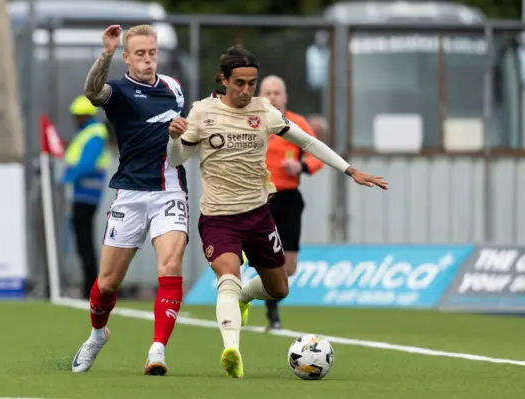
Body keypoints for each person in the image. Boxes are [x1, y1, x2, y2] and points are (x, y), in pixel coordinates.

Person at [166, 45, 387, 379]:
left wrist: (350, 170)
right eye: (239, 83)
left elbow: (309, 143)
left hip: (258, 214)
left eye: (251, 83)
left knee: (280, 288)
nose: (245, 90)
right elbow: (176, 159)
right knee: (227, 275)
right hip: (217, 217)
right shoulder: (202, 112)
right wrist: (173, 139)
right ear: (223, 79)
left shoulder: (264, 112)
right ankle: (232, 349)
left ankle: (243, 297)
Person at [71, 24, 189, 377]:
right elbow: (92, 92)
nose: (148, 59)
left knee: (170, 266)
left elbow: (182, 150)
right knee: (107, 283)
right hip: (131, 193)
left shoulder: (173, 89)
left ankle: (157, 350)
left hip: (170, 188)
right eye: (140, 53)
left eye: (152, 52)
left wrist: (181, 139)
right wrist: (104, 53)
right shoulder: (119, 91)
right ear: (127, 57)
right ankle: (97, 334)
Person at [258, 75, 323, 331]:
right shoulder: (254, 122)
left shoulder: (296, 123)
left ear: (285, 97)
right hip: (262, 199)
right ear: (260, 95)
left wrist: (302, 165)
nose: (273, 96)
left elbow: (317, 153)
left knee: (289, 266)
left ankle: (266, 291)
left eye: (277, 92)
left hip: (290, 198)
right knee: (269, 257)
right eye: (268, 92)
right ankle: (272, 313)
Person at [62, 95, 112, 300]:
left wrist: (68, 177)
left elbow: (87, 164)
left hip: (86, 194)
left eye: (77, 116)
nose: (75, 120)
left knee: (85, 243)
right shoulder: (90, 132)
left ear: (84, 116)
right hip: (83, 194)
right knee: (83, 242)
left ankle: (90, 288)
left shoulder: (93, 134)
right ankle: (90, 287)